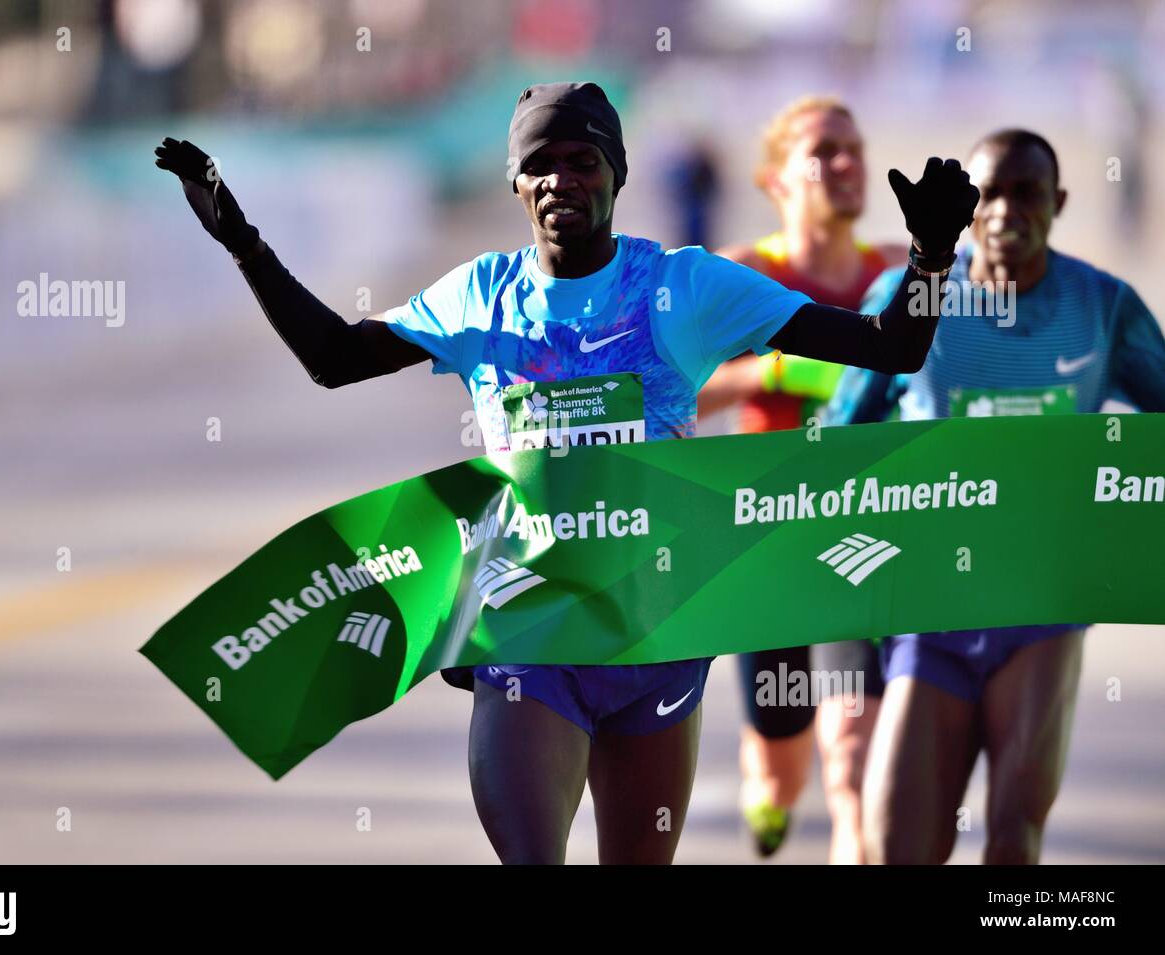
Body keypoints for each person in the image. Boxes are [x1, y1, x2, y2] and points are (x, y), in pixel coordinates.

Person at [155, 81, 978, 864]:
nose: (560, 179)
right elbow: (334, 357)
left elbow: (885, 346)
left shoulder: (684, 286)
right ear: (515, 181)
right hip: (527, 635)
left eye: (583, 160)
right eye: (539, 163)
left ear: (617, 173)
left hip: (656, 634)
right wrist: (245, 244)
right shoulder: (480, 295)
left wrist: (931, 256)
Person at [826, 128, 1165, 864]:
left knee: (1012, 839)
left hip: (1041, 610)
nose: (1007, 210)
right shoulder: (913, 298)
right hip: (930, 605)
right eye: (989, 193)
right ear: (965, 208)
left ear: (1060, 203)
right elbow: (839, 434)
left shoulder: (1102, 307)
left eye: (1028, 192)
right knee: (897, 847)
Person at [698, 96, 903, 862]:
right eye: (823, 150)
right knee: (779, 762)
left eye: (854, 147)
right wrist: (779, 368)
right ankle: (769, 798)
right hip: (770, 544)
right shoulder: (741, 274)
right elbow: (670, 393)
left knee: (850, 752)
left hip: (871, 534)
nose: (847, 163)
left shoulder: (898, 274)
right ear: (774, 179)